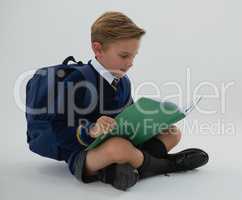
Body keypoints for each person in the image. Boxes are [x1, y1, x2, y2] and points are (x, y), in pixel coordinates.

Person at [58, 11, 209, 191]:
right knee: (117, 148)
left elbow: (128, 114)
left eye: (133, 56)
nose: (130, 63)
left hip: (126, 142)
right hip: (88, 153)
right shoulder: (77, 80)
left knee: (172, 132)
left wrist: (150, 121)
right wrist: (91, 129)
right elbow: (60, 127)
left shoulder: (123, 81)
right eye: (124, 56)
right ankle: (167, 165)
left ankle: (122, 170)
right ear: (98, 49)